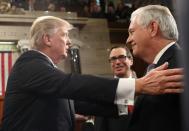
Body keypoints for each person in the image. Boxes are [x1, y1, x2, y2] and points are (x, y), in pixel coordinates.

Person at [0, 16, 183, 131]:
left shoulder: (46, 70)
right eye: (64, 35)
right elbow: (71, 84)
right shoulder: (30, 63)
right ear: (47, 39)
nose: (69, 41)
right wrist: (137, 85)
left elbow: (79, 102)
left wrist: (126, 105)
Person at [126, 5, 183, 131]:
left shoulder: (180, 65)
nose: (128, 40)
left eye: (131, 32)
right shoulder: (157, 66)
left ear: (153, 28)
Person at [94, 46, 137, 131]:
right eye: (113, 59)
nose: (117, 62)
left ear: (131, 60)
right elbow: (100, 126)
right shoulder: (104, 90)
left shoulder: (145, 85)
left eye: (121, 57)